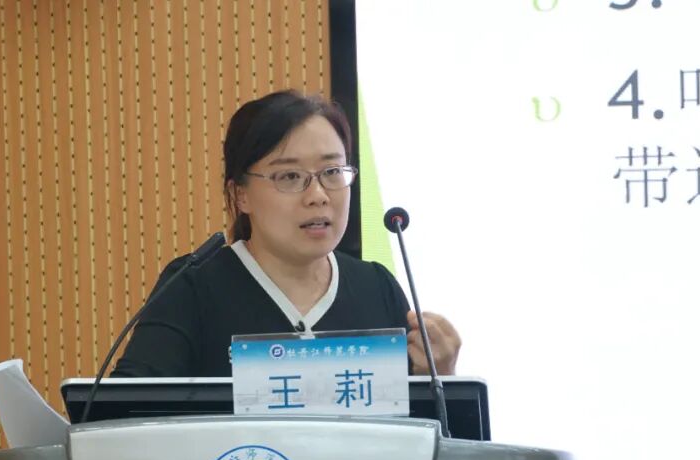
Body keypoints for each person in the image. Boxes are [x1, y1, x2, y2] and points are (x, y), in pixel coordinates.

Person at [113, 90, 460, 378]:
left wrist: (440, 375)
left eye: (332, 171)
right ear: (240, 195)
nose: (318, 195)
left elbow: (423, 428)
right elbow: (126, 412)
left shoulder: (377, 288)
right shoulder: (193, 287)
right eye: (290, 177)